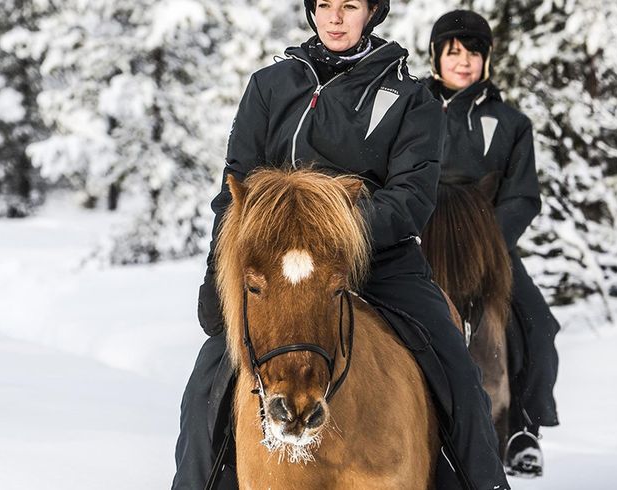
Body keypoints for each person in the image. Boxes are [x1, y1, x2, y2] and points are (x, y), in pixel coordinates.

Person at [172, 1, 510, 489]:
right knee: (206, 385)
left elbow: (412, 196)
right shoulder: (270, 87)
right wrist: (216, 277)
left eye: (349, 5)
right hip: (277, 267)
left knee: (458, 376)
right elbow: (234, 191)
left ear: (372, 12)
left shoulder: (409, 98)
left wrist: (337, 234)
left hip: (381, 261)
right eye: (324, 5)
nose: (334, 17)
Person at [425, 9, 561, 478]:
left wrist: (483, 244)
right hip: (417, 243)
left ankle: (523, 428)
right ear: (436, 56)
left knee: (538, 325)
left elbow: (523, 196)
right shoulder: (410, 110)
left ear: (487, 58)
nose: (464, 62)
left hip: (489, 248)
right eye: (453, 51)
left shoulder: (509, 123)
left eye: (474, 52)